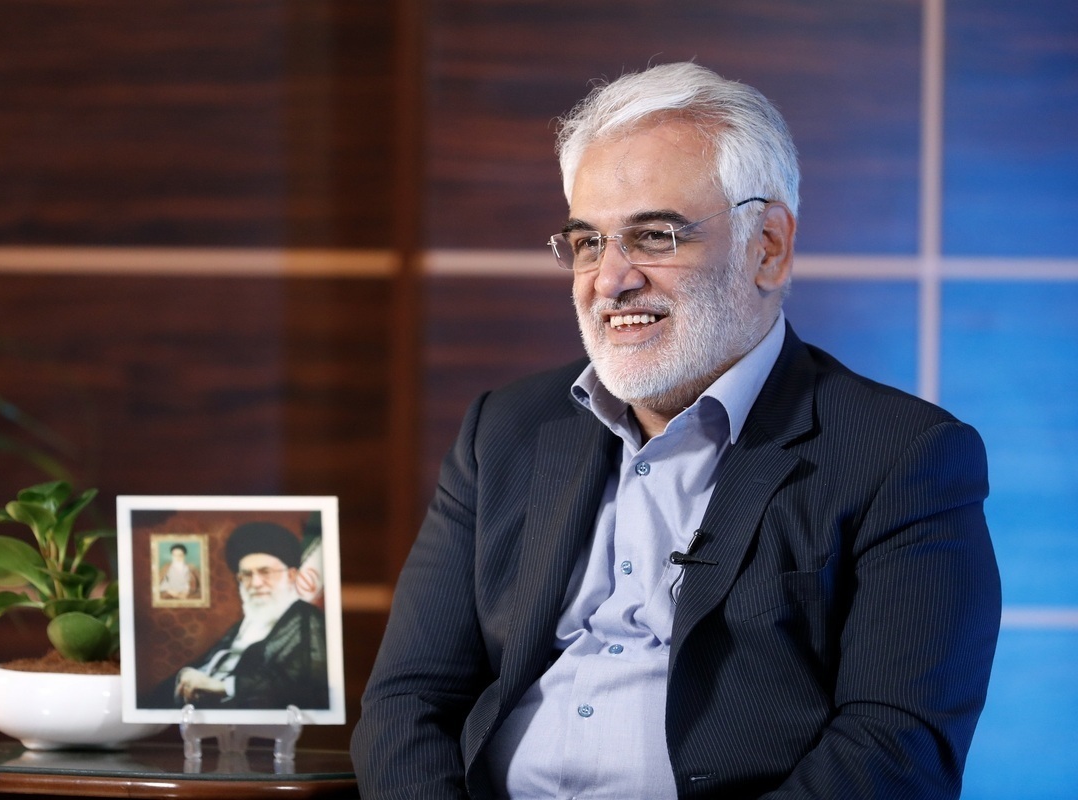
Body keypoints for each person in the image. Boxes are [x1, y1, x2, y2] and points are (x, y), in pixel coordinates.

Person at [351, 62, 1001, 799]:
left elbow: (894, 751)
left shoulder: (903, 457)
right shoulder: (503, 431)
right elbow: (407, 702)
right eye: (588, 243)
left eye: (655, 236)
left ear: (768, 246)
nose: (610, 280)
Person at [149, 522, 329, 710]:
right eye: (247, 575)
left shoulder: (308, 621)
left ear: (291, 575)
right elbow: (212, 663)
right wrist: (188, 675)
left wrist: (224, 687)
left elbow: (305, 684)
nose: (256, 583)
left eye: (265, 572)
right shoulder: (245, 625)